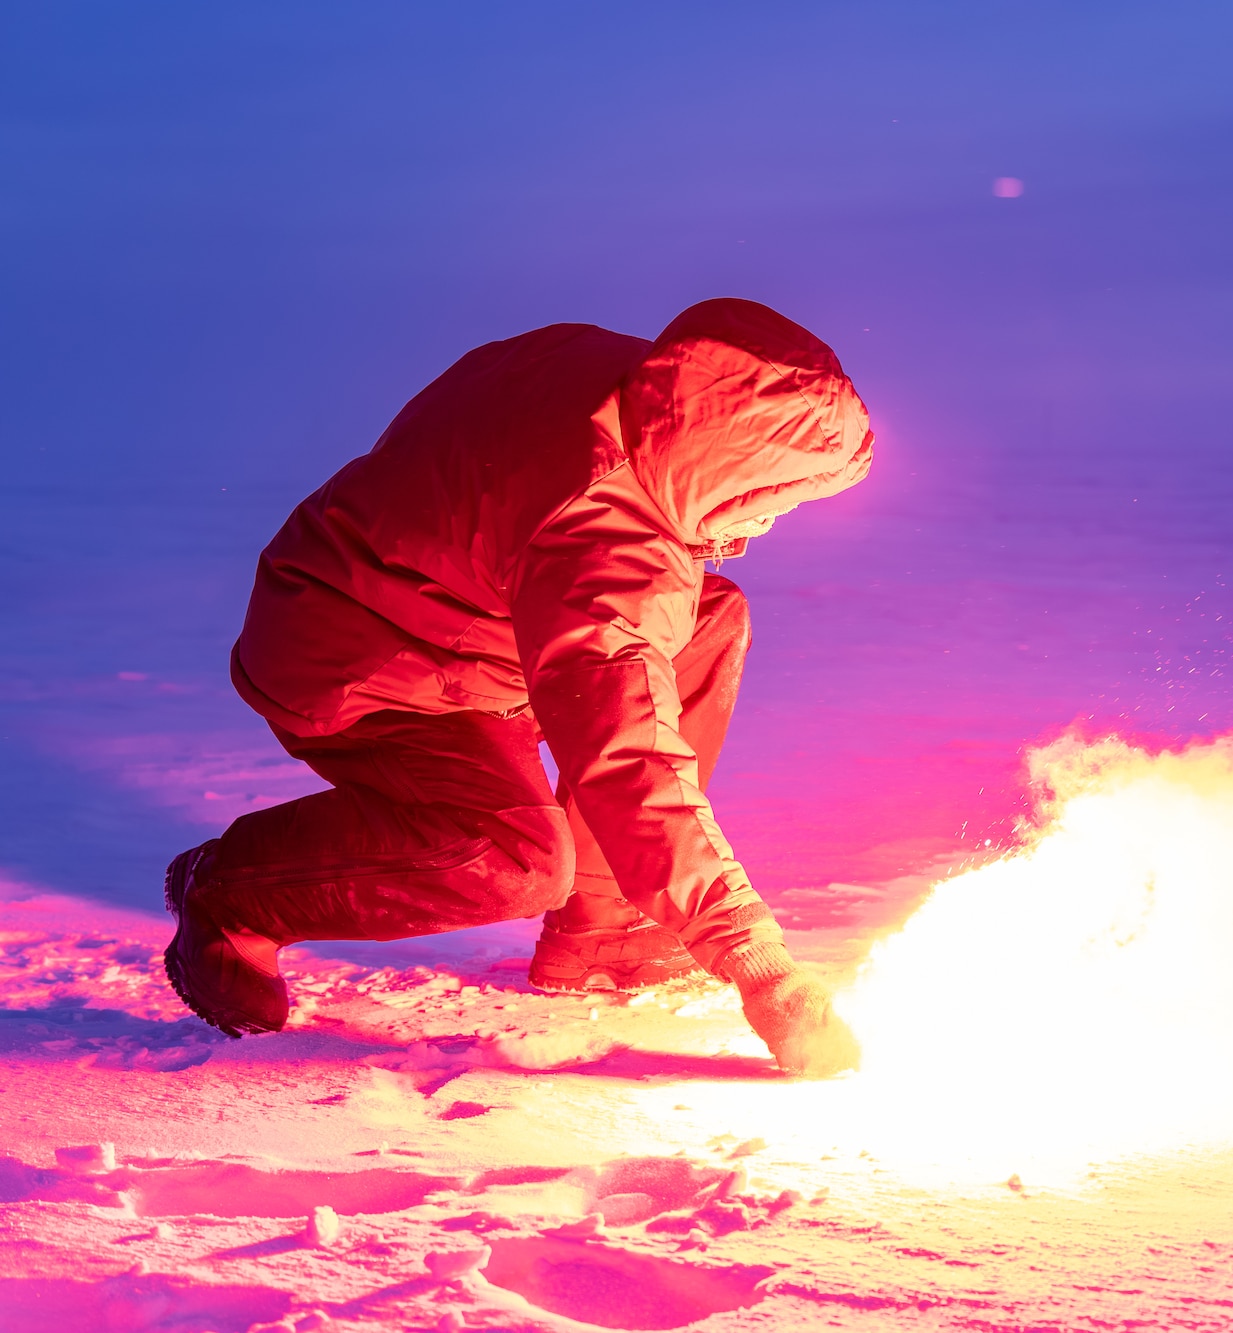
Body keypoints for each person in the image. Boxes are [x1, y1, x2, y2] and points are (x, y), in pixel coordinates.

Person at [160, 298, 868, 1076]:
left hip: (423, 605)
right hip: (364, 662)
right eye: (776, 498)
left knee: (705, 618)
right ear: (729, 463)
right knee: (518, 858)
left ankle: (610, 931)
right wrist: (756, 960)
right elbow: (630, 759)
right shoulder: (602, 540)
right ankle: (232, 891)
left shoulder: (634, 382)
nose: (770, 524)